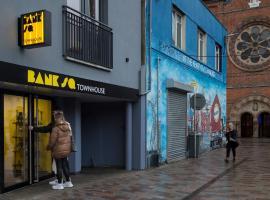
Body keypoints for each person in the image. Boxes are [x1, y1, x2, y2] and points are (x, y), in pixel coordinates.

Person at [29, 110, 58, 186]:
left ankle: (60, 181)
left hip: (57, 147)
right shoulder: (66, 124)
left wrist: (33, 128)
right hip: (64, 148)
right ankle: (64, 180)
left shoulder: (55, 125)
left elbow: (45, 129)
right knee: (61, 164)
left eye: (54, 114)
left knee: (58, 165)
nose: (53, 116)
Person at [48, 110, 73, 190]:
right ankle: (68, 182)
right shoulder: (68, 126)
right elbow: (71, 137)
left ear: (56, 118)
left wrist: (48, 147)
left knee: (59, 166)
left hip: (58, 150)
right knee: (65, 165)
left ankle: (59, 184)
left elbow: (52, 141)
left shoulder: (55, 128)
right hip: (66, 150)